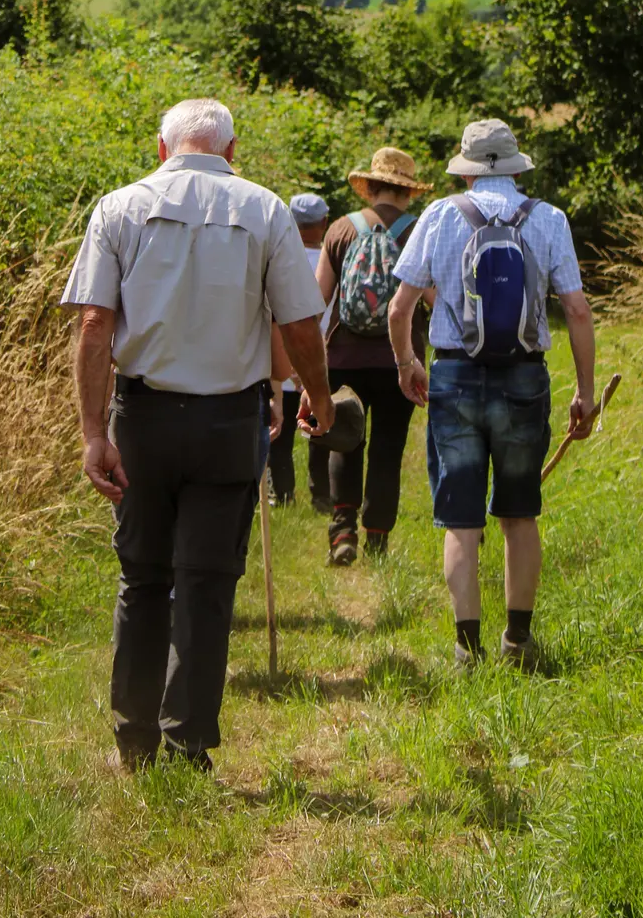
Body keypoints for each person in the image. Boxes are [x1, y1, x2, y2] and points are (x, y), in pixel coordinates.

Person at [61, 97, 335, 771]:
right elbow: (299, 324)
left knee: (143, 578)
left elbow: (94, 325)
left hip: (143, 420)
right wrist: (317, 395)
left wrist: (93, 432)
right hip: (227, 422)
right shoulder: (265, 209)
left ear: (162, 149)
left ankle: (134, 744)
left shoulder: (118, 208)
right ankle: (188, 746)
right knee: (207, 585)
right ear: (231, 152)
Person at [387, 118, 595, 670]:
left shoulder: (439, 216)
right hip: (525, 379)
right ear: (516, 167)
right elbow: (576, 310)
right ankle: (518, 642)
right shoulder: (548, 218)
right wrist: (585, 391)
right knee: (519, 514)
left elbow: (400, 308)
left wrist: (408, 363)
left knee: (462, 521)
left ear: (468, 171)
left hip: (454, 377)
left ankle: (466, 648)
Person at [315, 145, 433, 566]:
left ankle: (343, 533)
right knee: (387, 447)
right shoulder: (418, 232)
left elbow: (318, 299)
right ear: (408, 191)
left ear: (369, 186)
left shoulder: (340, 229)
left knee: (344, 442)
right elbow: (433, 299)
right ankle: (378, 539)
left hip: (343, 359)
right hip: (400, 360)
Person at [267, 192, 331, 508]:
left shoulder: (279, 259)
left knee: (280, 433)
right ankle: (322, 495)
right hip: (322, 364)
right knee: (321, 429)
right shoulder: (332, 261)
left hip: (283, 362)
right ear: (324, 222)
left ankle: (282, 494)